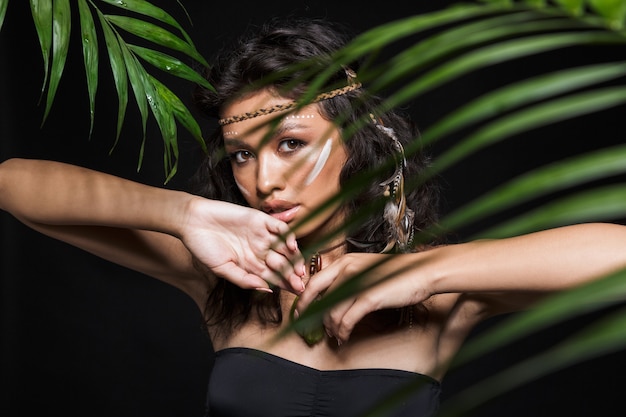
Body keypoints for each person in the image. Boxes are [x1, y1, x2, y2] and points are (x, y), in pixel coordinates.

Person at [1, 17, 626, 417]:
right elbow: (14, 183)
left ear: (356, 143)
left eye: (290, 143)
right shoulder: (230, 280)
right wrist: (185, 213)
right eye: (242, 155)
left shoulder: (441, 297)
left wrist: (426, 271)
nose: (263, 178)